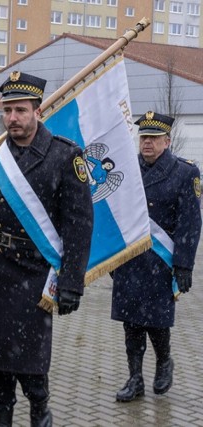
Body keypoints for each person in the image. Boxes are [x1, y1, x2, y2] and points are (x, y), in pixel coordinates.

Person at [0, 71, 94, 427]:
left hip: (35, 275)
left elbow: (79, 225)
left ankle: (40, 409)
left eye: (20, 110)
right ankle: (1, 415)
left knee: (31, 360)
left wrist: (71, 282)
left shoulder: (64, 156)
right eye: (7, 111)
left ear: (39, 111)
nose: (12, 119)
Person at [111, 112, 201, 402]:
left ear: (167, 140)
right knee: (131, 323)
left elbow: (190, 223)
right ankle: (135, 379)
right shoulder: (127, 169)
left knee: (156, 321)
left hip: (160, 263)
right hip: (129, 259)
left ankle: (164, 362)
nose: (147, 142)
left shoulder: (185, 173)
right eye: (143, 137)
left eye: (153, 137)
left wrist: (184, 265)